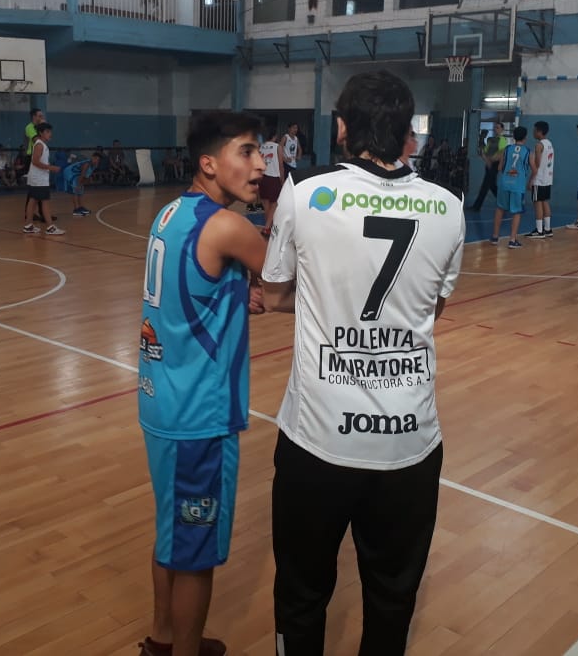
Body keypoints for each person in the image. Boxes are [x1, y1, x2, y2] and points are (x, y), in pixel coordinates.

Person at [261, 70, 465, 656]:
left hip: (318, 438)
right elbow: (434, 308)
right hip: (410, 443)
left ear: (342, 128)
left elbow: (274, 294)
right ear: (408, 134)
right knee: (392, 599)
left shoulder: (306, 190)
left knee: (301, 595)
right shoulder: (448, 206)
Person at [137, 111, 268, 656]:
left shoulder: (170, 213)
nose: (260, 165)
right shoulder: (229, 226)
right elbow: (286, 277)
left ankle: (163, 639)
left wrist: (237, 293)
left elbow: (198, 285)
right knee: (196, 554)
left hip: (160, 400)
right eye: (247, 152)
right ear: (209, 164)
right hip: (199, 413)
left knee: (172, 532)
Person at [490, 125, 535, 248]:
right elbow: (534, 169)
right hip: (518, 185)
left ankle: (495, 237)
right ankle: (512, 240)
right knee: (516, 212)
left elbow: (500, 167)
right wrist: (530, 181)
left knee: (500, 209)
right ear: (525, 137)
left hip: (504, 183)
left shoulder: (507, 149)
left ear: (514, 137)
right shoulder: (528, 152)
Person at [22, 124, 64, 236]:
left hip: (36, 178)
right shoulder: (40, 145)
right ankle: (50, 227)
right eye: (47, 132)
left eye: (50, 131)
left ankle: (28, 225)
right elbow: (35, 162)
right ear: (41, 133)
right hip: (39, 179)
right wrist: (51, 168)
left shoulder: (41, 144)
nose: (50, 134)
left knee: (33, 200)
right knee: (45, 202)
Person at [525, 121, 555, 239]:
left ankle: (539, 231)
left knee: (537, 203)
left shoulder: (539, 145)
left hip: (539, 178)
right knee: (544, 202)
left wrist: (531, 180)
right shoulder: (549, 143)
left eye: (534, 130)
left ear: (539, 131)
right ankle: (547, 229)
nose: (533, 132)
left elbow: (536, 164)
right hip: (548, 178)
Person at [469, 123, 507, 210]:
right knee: (492, 186)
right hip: (489, 164)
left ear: (502, 129)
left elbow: (501, 153)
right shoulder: (491, 140)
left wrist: (493, 161)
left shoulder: (502, 139)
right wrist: (481, 140)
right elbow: (485, 151)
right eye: (495, 127)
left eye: (498, 127)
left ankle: (476, 207)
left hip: (495, 164)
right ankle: (505, 202)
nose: (495, 129)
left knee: (485, 186)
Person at [258, 128, 286, 238]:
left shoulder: (261, 147)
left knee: (266, 204)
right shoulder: (277, 147)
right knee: (275, 203)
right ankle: (266, 228)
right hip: (273, 177)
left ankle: (268, 227)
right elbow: (281, 165)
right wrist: (282, 180)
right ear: (274, 136)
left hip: (262, 177)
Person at [24, 108, 49, 222]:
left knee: (40, 187)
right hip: (31, 157)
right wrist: (43, 129)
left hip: (39, 155)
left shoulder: (39, 128)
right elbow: (37, 140)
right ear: (34, 116)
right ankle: (30, 213)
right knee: (34, 188)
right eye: (40, 116)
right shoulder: (30, 127)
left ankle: (42, 213)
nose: (41, 118)